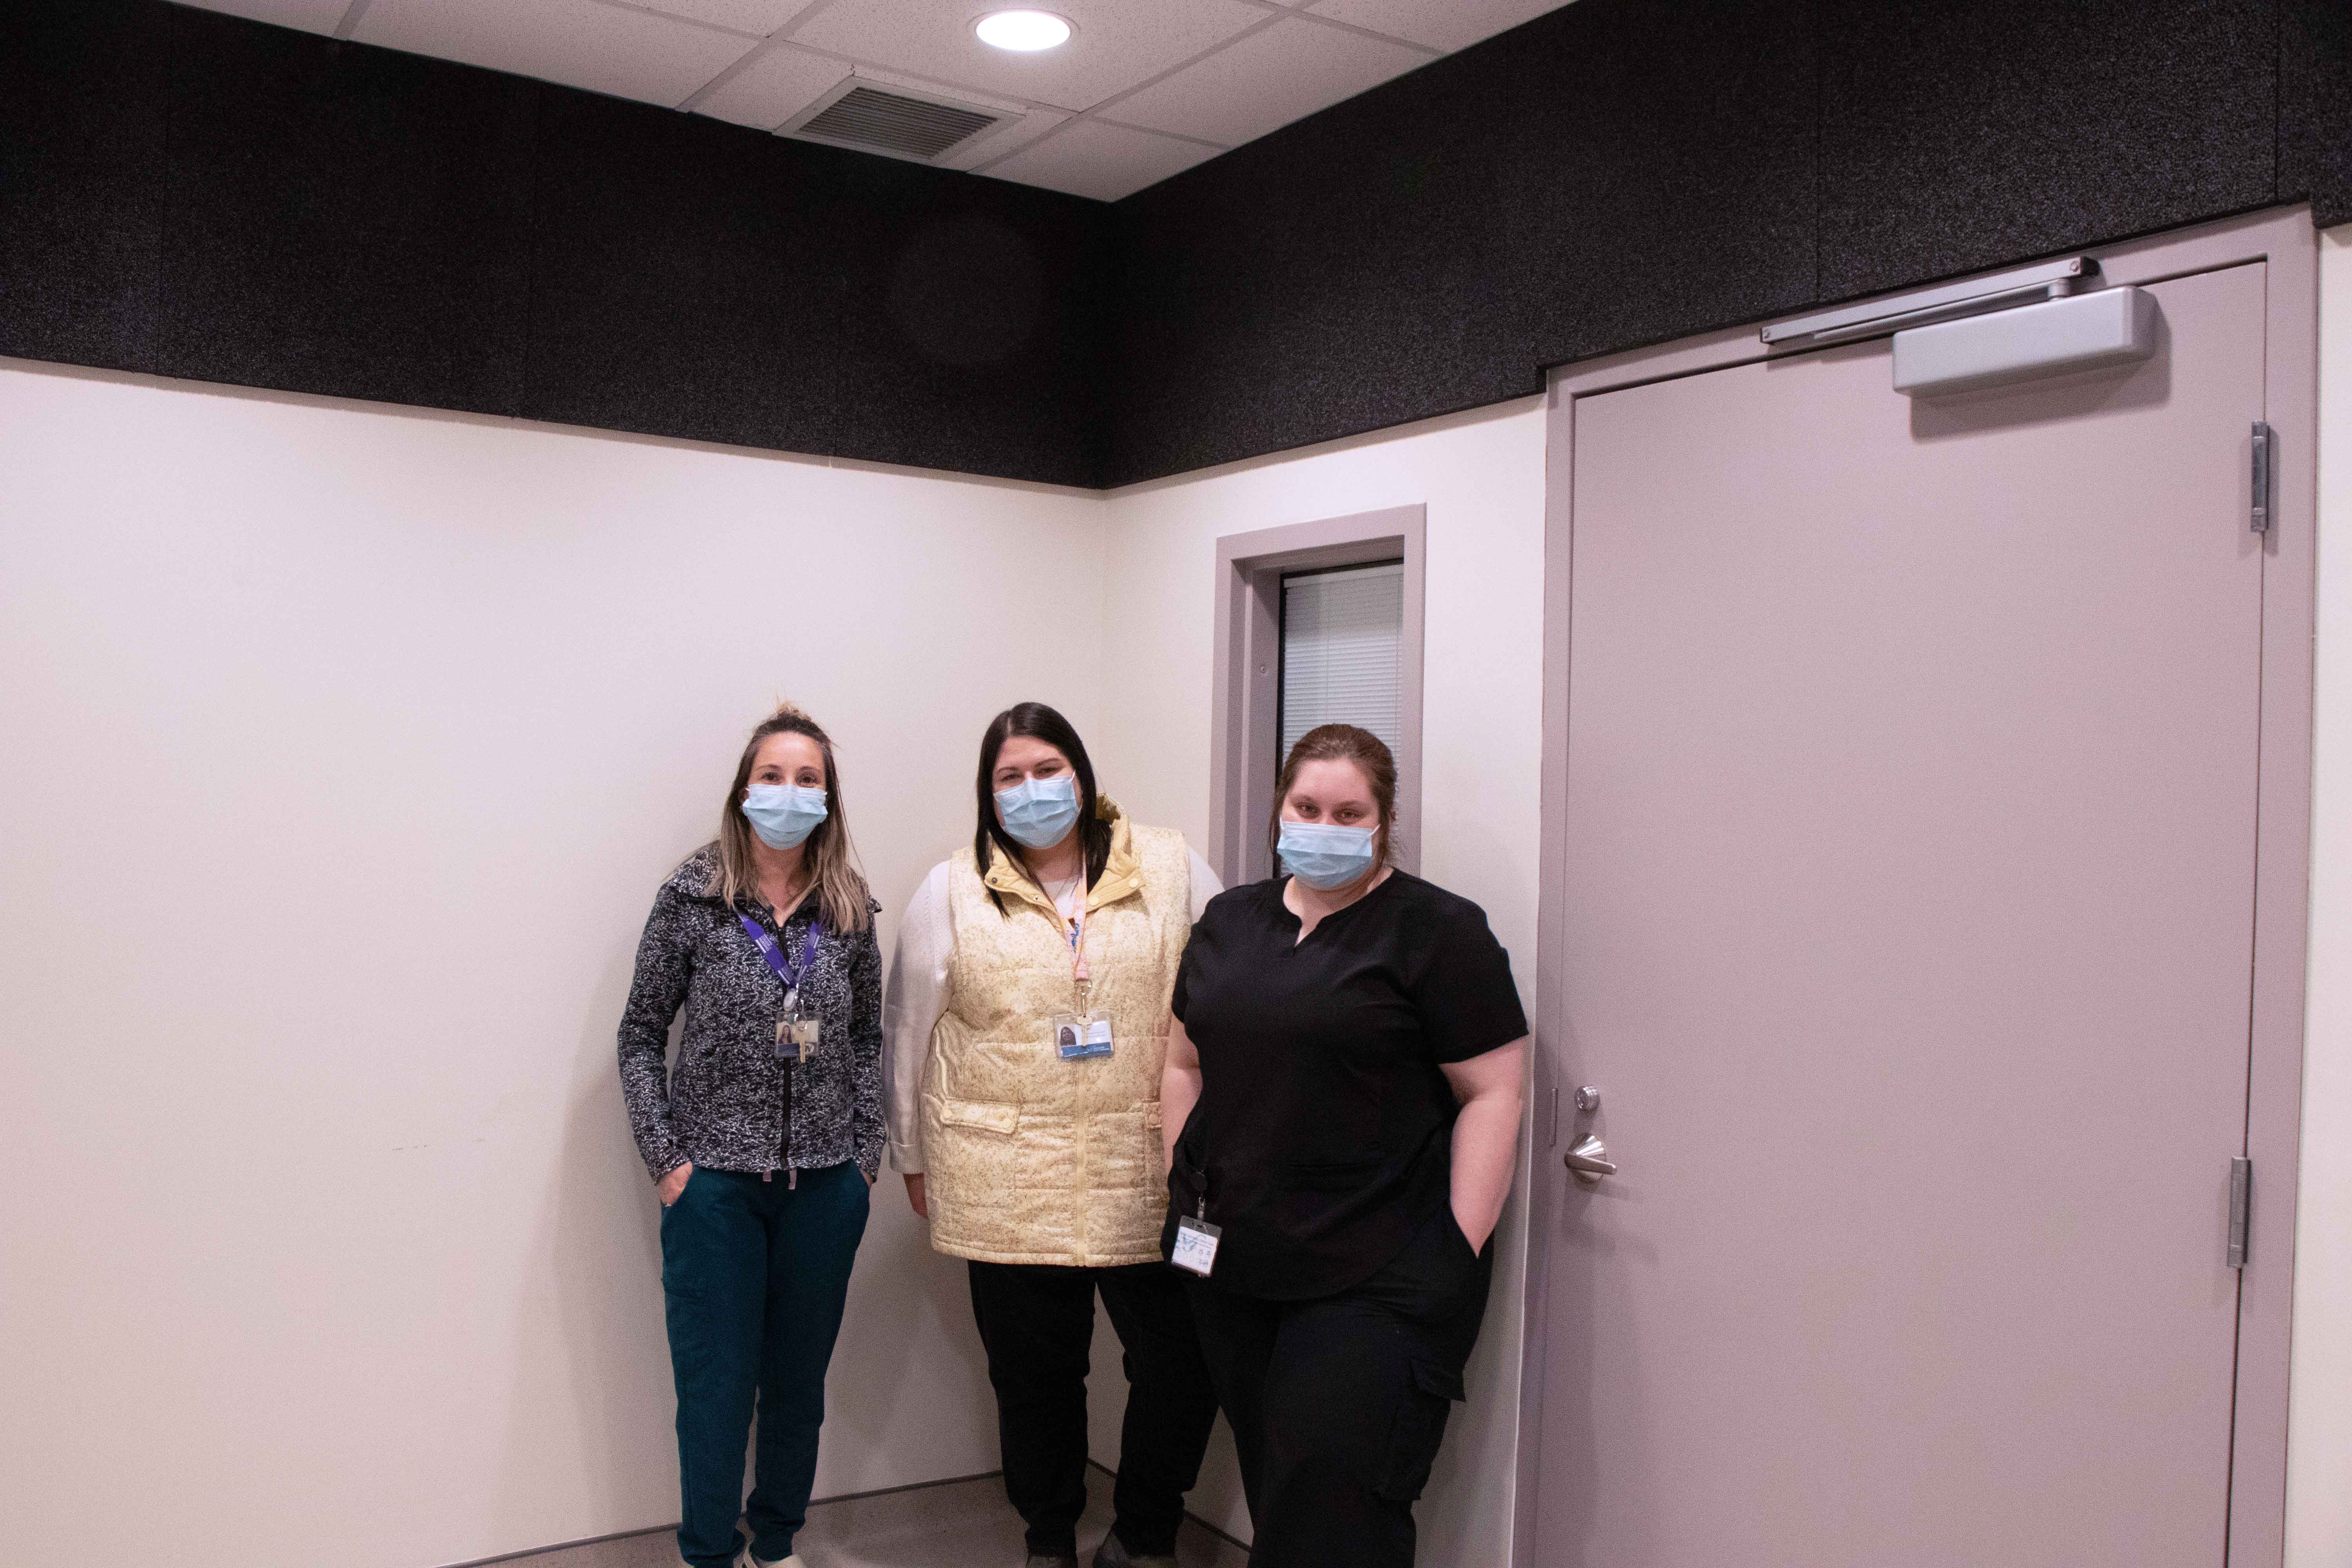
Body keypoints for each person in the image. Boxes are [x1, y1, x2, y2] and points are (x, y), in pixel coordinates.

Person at [1160, 724, 1528, 1568]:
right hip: (1235, 1264)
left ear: (1383, 821)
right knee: (1280, 1496)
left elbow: (1494, 1093)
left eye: (1348, 811)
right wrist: (1180, 1179)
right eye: (1307, 807)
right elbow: (1181, 1059)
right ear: (1280, 809)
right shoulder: (1229, 920)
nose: (1324, 826)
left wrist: (1456, 1248)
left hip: (1377, 1271)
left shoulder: (1439, 932)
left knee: (1335, 1511)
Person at [884, 702, 1223, 1568]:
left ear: (1082, 772)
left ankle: (1146, 1531)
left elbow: (1228, 998)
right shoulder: (950, 888)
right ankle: (1048, 1535)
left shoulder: (1173, 867)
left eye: (1047, 768)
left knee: (1181, 1366)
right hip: (1006, 1175)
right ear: (987, 794)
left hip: (1152, 1169)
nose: (1031, 790)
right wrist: (912, 1155)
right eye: (1009, 776)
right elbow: (907, 1032)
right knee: (1034, 1379)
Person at [617, 704, 884, 1568]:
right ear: (742, 790)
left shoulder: (849, 908)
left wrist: (865, 1151)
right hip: (715, 1191)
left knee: (796, 1388)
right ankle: (706, 1550)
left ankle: (774, 1543)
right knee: (716, 1388)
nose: (789, 792)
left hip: (824, 1186)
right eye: (773, 775)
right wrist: (669, 1161)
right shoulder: (693, 897)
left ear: (829, 799)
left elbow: (868, 1038)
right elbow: (638, 1037)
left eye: (808, 778)